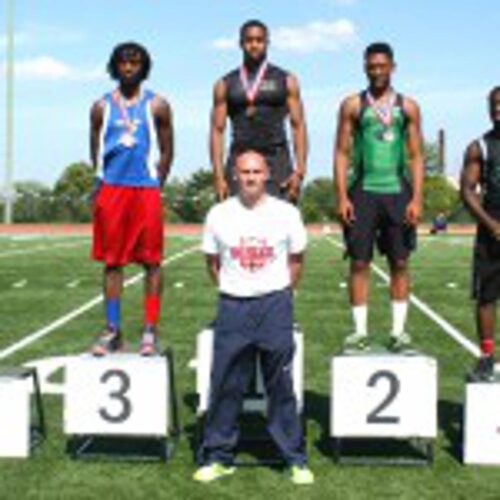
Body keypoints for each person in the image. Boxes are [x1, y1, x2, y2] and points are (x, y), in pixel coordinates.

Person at [194, 151, 314, 485]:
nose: (250, 177)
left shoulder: (287, 213)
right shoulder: (218, 214)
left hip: (274, 304)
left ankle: (293, 457)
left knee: (281, 383)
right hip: (233, 305)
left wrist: (280, 292)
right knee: (226, 382)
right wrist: (235, 288)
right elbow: (212, 263)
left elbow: (297, 259)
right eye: (244, 171)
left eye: (256, 171)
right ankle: (218, 455)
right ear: (235, 175)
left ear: (268, 175)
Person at [334, 42, 424, 351]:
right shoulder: (352, 105)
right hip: (363, 192)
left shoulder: (408, 106)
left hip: (398, 192)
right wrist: (342, 196)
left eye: (382, 66)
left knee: (399, 261)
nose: (377, 71)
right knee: (359, 262)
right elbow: (342, 153)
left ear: (392, 67)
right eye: (372, 66)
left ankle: (398, 333)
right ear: (365, 68)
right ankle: (359, 332)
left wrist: (417, 198)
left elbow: (415, 155)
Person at [90, 41, 174, 356]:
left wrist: (156, 183)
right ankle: (113, 329)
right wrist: (102, 184)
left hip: (146, 190)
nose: (129, 68)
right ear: (115, 66)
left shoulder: (158, 106)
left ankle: (150, 328)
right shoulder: (101, 106)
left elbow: (167, 149)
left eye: (135, 63)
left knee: (152, 261)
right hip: (112, 189)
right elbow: (95, 149)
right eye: (123, 63)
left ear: (144, 67)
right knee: (113, 263)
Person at [210, 19, 307, 203]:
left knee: (280, 224)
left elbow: (298, 125)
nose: (254, 45)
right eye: (249, 40)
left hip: (277, 158)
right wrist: (218, 176)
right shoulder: (225, 83)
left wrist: (300, 171)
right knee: (235, 225)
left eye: (259, 40)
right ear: (240, 43)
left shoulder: (286, 80)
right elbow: (217, 130)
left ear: (267, 43)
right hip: (239, 157)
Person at [461, 86, 500, 380]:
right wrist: (491, 224)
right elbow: (467, 190)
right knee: (486, 296)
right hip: (493, 227)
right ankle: (487, 355)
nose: (498, 110)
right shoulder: (480, 147)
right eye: (494, 105)